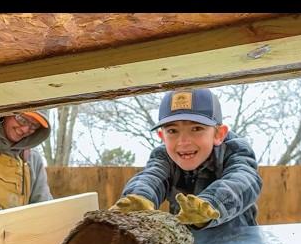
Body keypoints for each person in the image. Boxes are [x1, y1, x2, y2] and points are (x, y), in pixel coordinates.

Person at [111, 88, 263, 229]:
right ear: (162, 137)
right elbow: (151, 176)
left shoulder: (235, 150)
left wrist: (210, 204)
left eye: (196, 128)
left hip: (240, 243)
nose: (183, 141)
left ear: (219, 134)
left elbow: (243, 179)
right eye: (172, 131)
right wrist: (139, 197)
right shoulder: (164, 157)